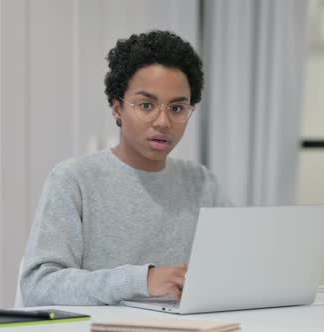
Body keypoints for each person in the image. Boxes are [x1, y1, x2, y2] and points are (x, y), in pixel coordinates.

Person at [20, 30, 230, 306]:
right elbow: (38, 285)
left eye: (177, 108)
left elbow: (238, 262)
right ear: (117, 108)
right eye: (146, 105)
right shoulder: (74, 179)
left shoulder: (201, 182)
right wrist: (142, 281)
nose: (163, 121)